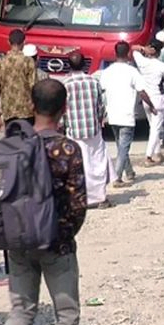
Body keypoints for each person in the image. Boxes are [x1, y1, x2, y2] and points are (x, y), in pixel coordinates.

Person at [0, 79, 90, 325]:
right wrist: (65, 235)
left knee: (20, 312)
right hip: (55, 245)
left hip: (17, 241)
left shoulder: (13, 143)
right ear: (63, 108)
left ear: (32, 104)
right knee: (67, 314)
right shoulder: (67, 148)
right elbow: (77, 203)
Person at [99, 41, 156, 187]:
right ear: (128, 53)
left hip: (111, 114)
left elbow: (101, 92)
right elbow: (142, 92)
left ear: (115, 52)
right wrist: (152, 106)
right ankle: (117, 177)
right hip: (126, 115)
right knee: (123, 147)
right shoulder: (132, 72)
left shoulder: (107, 72)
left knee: (121, 145)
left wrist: (102, 113)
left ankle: (129, 172)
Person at [62, 52, 114, 209]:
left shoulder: (65, 84)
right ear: (84, 65)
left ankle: (80, 198)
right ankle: (100, 198)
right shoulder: (93, 81)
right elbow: (100, 105)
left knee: (78, 164)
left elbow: (62, 110)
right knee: (96, 163)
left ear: (69, 66)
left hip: (74, 131)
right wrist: (100, 119)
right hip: (93, 129)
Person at [132, 41, 164, 165]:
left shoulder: (142, 61)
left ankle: (158, 153)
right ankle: (148, 156)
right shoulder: (161, 66)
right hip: (157, 99)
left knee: (153, 127)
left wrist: (143, 48)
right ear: (159, 52)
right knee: (155, 129)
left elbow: (132, 48)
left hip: (146, 99)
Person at [0, 28, 36, 131]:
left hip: (8, 112)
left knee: (12, 142)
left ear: (8, 42)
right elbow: (34, 86)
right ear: (24, 42)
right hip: (27, 112)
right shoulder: (28, 61)